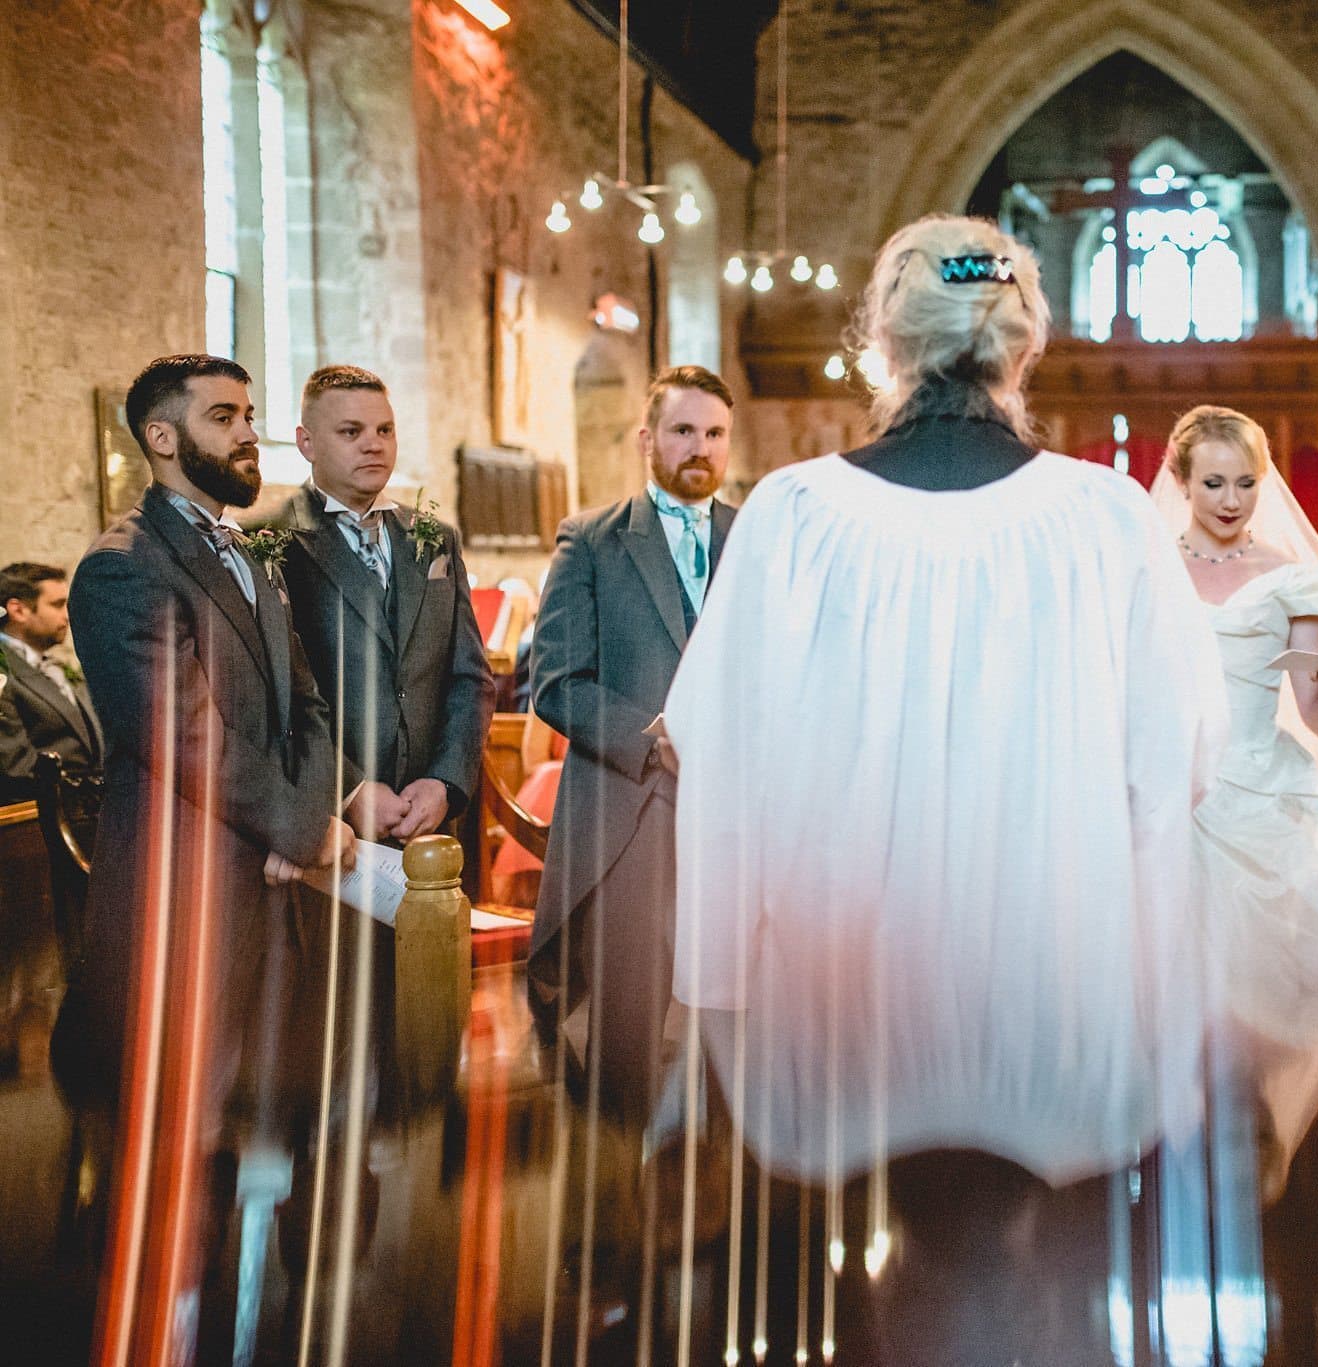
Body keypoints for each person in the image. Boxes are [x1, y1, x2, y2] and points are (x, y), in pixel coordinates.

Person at [663, 215, 1225, 1189]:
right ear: (1026, 339)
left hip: (845, 1025)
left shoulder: (791, 518)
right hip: (1054, 1012)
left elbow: (713, 757)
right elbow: (1181, 759)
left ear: (883, 337)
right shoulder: (1108, 520)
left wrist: (716, 990)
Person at [52, 355, 355, 1350]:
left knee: (260, 1155)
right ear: (163, 437)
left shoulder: (250, 555)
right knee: (171, 1167)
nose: (246, 432)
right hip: (183, 906)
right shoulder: (121, 566)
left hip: (272, 894)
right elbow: (185, 733)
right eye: (223, 415)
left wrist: (304, 820)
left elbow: (309, 703)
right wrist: (301, 827)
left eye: (249, 413)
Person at [1149, 403, 1318, 1193]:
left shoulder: (1292, 576)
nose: (1231, 498)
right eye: (1213, 481)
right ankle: (1195, 1119)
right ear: (1180, 479)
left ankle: (1243, 1108)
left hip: (1264, 784)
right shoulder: (1144, 565)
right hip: (1170, 787)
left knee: (1280, 983)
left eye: (1247, 482)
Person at [529, 363, 739, 1129]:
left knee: (731, 1037)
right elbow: (553, 679)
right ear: (648, 439)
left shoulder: (756, 539)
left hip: (735, 822)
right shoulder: (592, 540)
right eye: (683, 430)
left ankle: (715, 1207)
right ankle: (613, 1204)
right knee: (625, 1037)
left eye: (714, 433)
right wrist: (649, 737)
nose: (700, 447)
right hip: (630, 814)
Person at [276, 365, 493, 841]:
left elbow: (469, 676)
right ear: (306, 443)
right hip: (332, 826)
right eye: (351, 432)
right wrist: (349, 792)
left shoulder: (434, 538)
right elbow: (280, 695)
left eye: (384, 430)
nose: (373, 444)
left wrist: (444, 780)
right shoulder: (271, 540)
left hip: (433, 815)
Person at [0, 562, 102, 802]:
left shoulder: (54, 666)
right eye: (57, 605)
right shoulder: (5, 669)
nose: (67, 615)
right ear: (18, 610)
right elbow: (15, 768)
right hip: (45, 820)